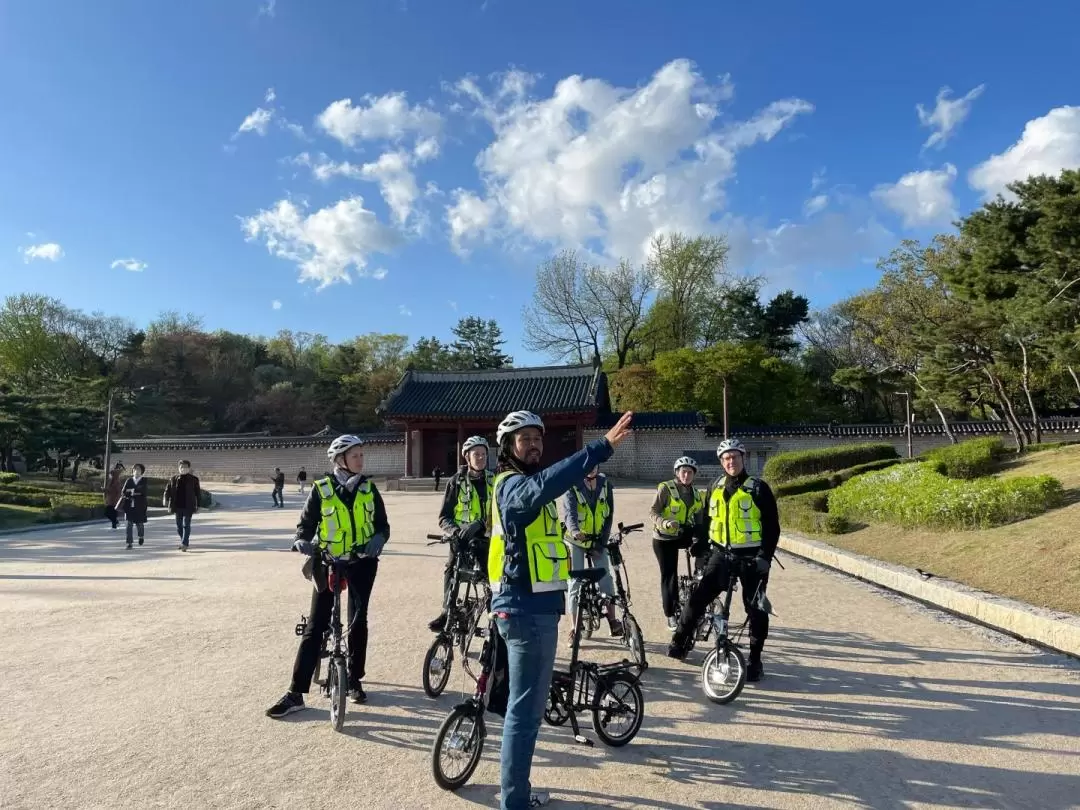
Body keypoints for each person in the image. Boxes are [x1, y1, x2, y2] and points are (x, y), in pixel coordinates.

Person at [489, 408, 633, 810]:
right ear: (507, 447)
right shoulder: (510, 485)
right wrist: (598, 450)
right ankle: (515, 801)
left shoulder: (529, 482)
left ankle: (515, 794)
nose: (534, 444)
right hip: (525, 610)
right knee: (525, 712)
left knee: (524, 708)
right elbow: (539, 490)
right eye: (524, 439)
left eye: (538, 438)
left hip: (533, 606)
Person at [266, 434, 390, 718]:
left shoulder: (370, 489)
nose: (361, 459)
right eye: (355, 455)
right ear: (340, 460)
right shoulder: (321, 489)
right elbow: (305, 525)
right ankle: (295, 692)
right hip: (328, 562)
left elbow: (383, 526)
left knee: (359, 620)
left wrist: (379, 540)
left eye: (361, 454)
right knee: (316, 625)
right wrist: (301, 541)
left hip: (362, 562)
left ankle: (354, 680)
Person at [667, 438, 779, 682]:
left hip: (751, 558)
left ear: (743, 458)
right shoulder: (714, 486)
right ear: (721, 462)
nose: (731, 462)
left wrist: (765, 558)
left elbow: (772, 527)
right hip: (721, 555)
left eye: (735, 457)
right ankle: (681, 637)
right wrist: (701, 545)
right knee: (698, 598)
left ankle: (755, 660)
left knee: (756, 608)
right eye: (726, 458)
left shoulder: (758, 488)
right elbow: (707, 522)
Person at [428, 436, 493, 632]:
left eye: (483, 454)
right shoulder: (455, 482)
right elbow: (444, 517)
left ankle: (495, 620)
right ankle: (448, 611)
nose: (480, 458)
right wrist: (456, 531)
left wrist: (482, 524)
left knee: (491, 581)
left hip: (488, 539)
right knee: (452, 570)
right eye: (476, 454)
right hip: (462, 539)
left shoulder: (495, 480)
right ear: (467, 457)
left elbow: (501, 511)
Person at [560, 465, 622, 646]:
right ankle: (574, 629)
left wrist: (601, 542)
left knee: (606, 578)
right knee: (575, 582)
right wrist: (575, 530)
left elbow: (609, 515)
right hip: (576, 541)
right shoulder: (572, 486)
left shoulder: (605, 485)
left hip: (597, 540)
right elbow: (569, 514)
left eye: (594, 464)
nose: (591, 468)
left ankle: (612, 620)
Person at [650, 456, 706, 630]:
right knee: (669, 575)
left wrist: (701, 541)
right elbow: (653, 512)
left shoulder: (696, 494)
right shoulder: (666, 488)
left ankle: (698, 575)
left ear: (694, 475)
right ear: (677, 473)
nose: (686, 475)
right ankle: (671, 614)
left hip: (682, 533)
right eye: (683, 472)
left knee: (705, 544)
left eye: (690, 472)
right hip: (664, 538)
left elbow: (699, 521)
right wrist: (665, 523)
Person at [164, 460, 202, 552]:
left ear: (189, 468)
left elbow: (198, 493)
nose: (183, 469)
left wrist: (199, 505)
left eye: (185, 467)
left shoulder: (194, 479)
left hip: (188, 505)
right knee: (179, 526)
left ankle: (184, 543)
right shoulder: (173, 479)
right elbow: (167, 491)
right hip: (177, 506)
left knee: (186, 524)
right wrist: (165, 500)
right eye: (181, 467)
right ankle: (184, 541)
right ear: (178, 468)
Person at [119, 463, 148, 549]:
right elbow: (123, 492)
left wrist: (132, 491)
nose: (136, 471)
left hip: (140, 506)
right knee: (129, 525)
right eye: (135, 469)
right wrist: (133, 492)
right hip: (129, 506)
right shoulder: (129, 480)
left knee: (140, 524)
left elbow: (143, 491)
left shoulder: (144, 480)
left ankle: (141, 536)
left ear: (142, 471)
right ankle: (129, 543)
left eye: (138, 469)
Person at [104, 462, 125, 530]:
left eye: (112, 474)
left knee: (109, 513)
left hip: (114, 501)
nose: (111, 475)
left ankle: (115, 524)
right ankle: (115, 524)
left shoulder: (116, 482)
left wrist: (116, 500)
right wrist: (105, 490)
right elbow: (110, 490)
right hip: (110, 499)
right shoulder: (112, 481)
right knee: (111, 513)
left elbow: (118, 492)